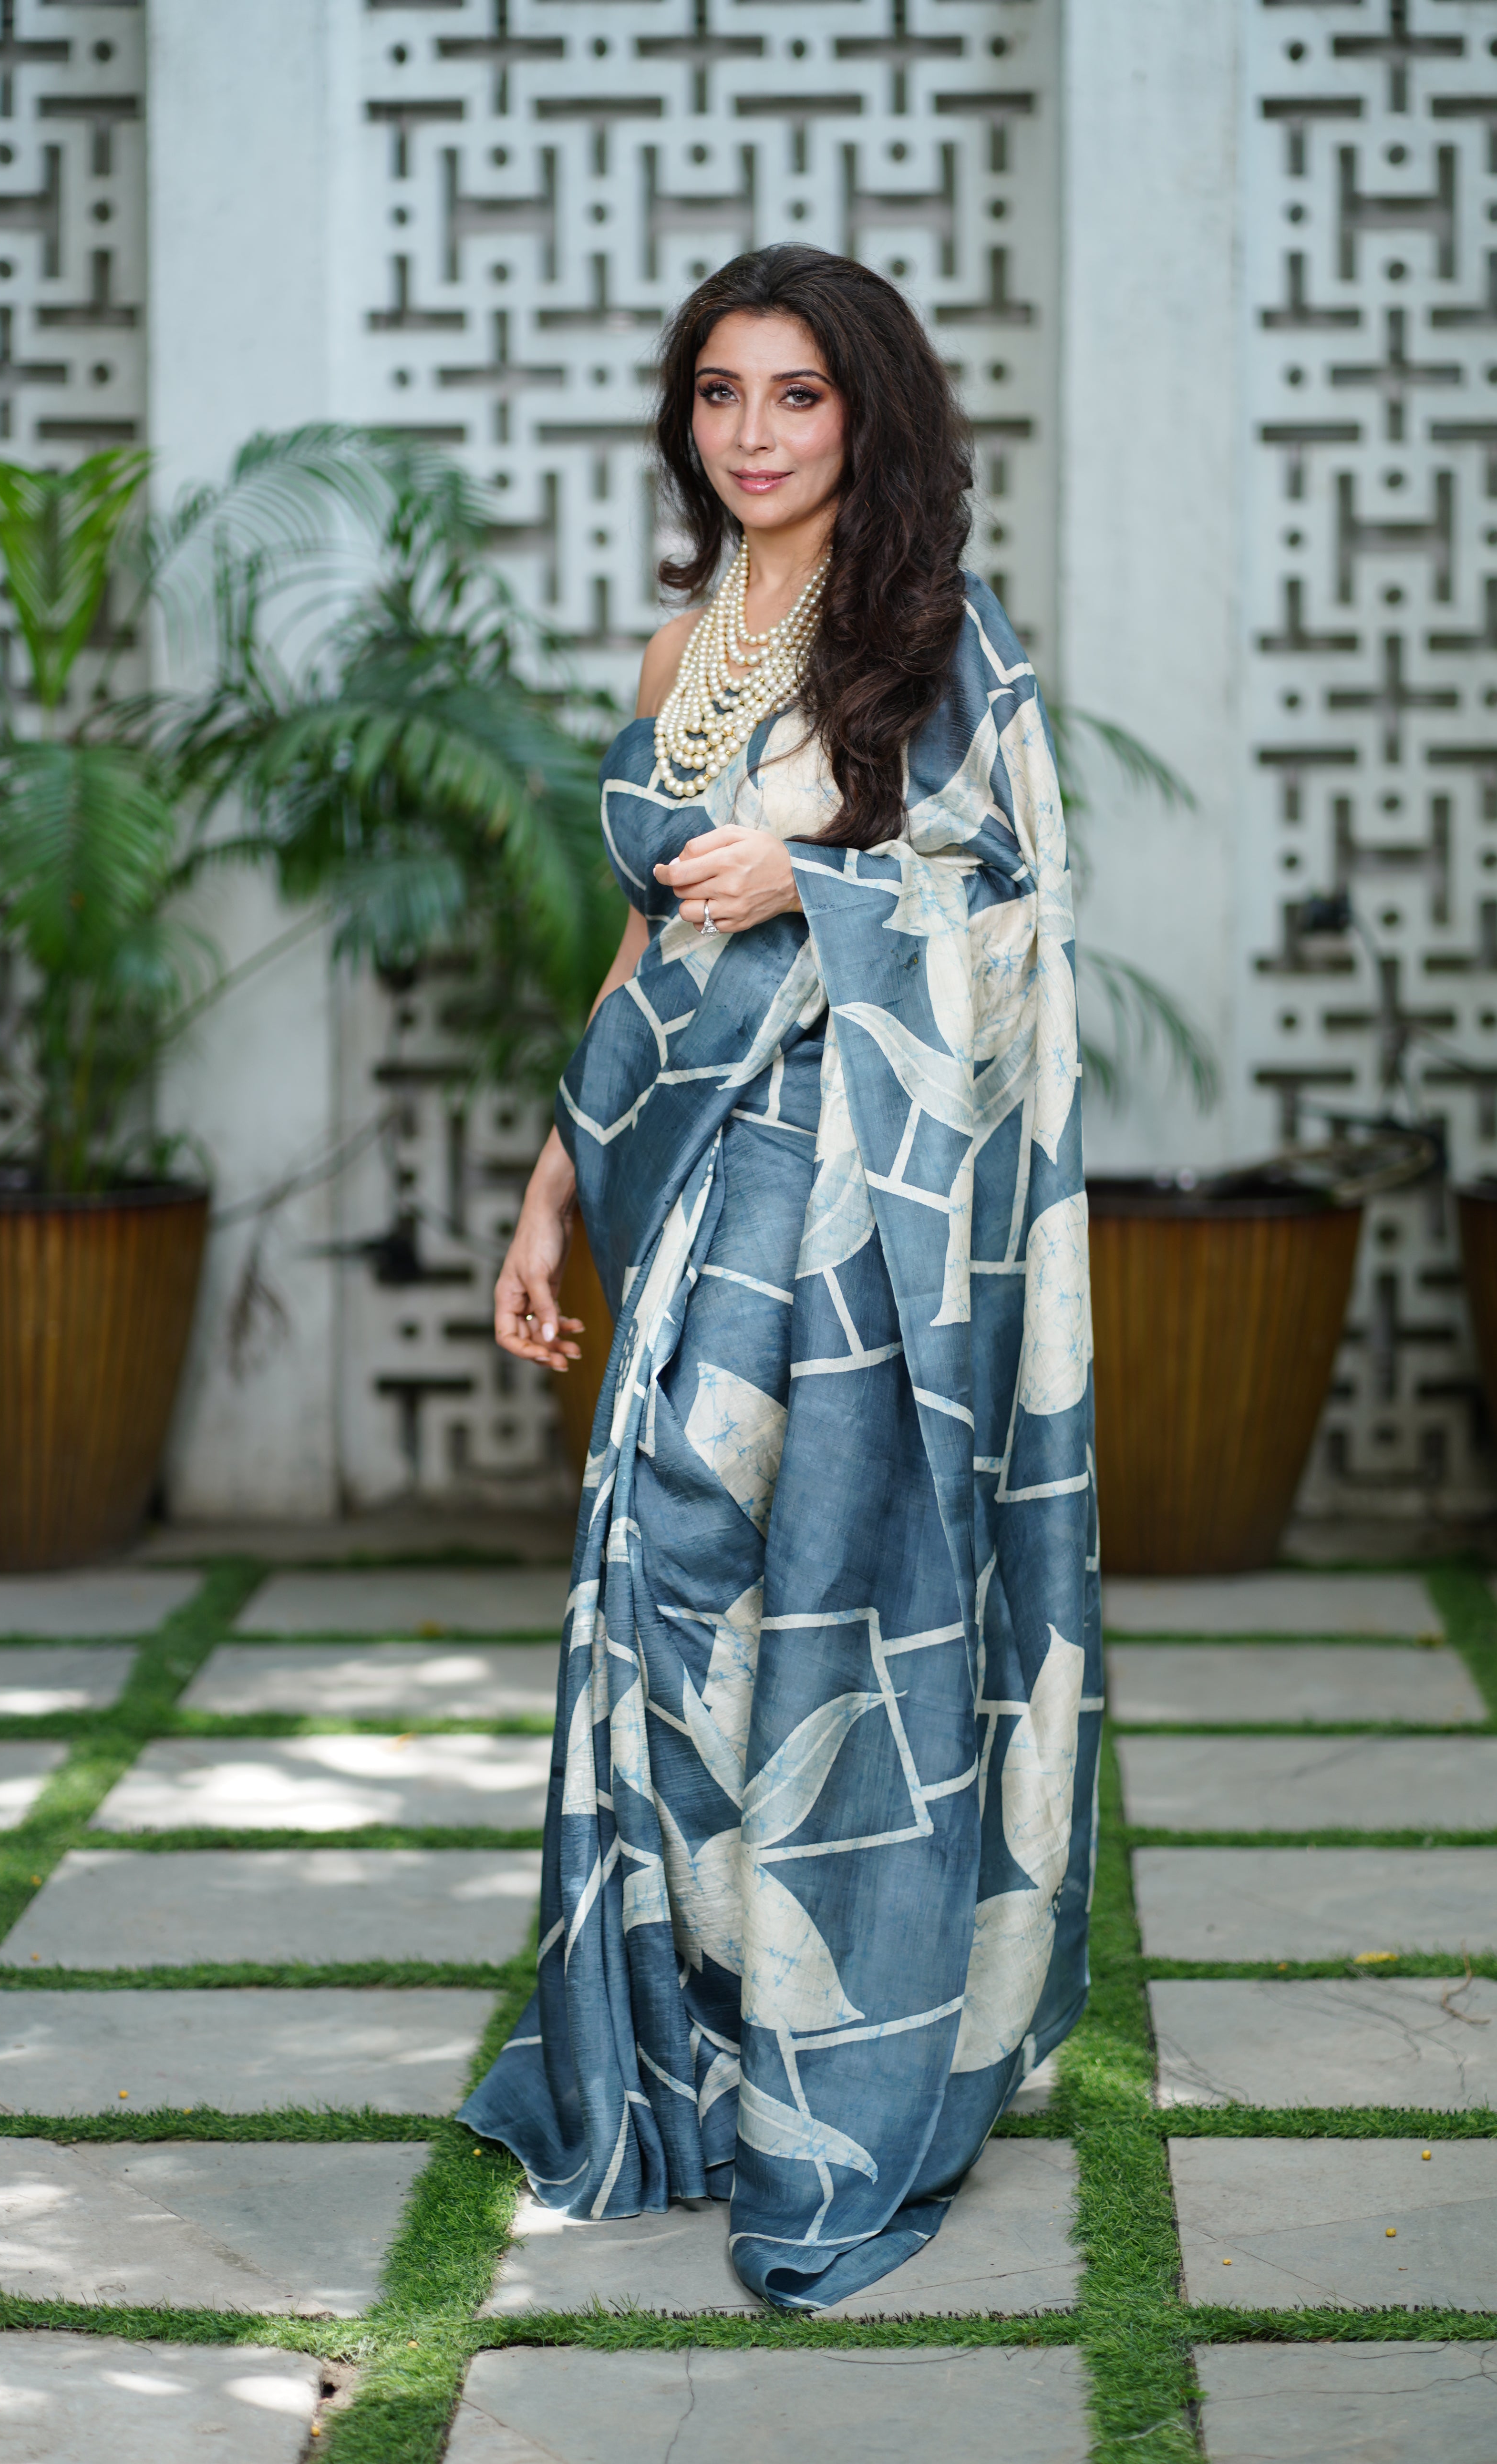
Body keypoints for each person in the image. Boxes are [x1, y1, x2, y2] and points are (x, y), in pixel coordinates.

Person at [460, 243, 1101, 2312]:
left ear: (866, 414)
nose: (752, 433)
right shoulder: (683, 648)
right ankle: (694, 2034)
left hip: (866, 1204)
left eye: (796, 395)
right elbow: (644, 944)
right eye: (720, 393)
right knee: (664, 1564)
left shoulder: (933, 644)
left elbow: (1017, 923)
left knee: (823, 1581)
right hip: (693, 1171)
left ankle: (835, 2059)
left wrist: (815, 881)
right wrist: (551, 1186)